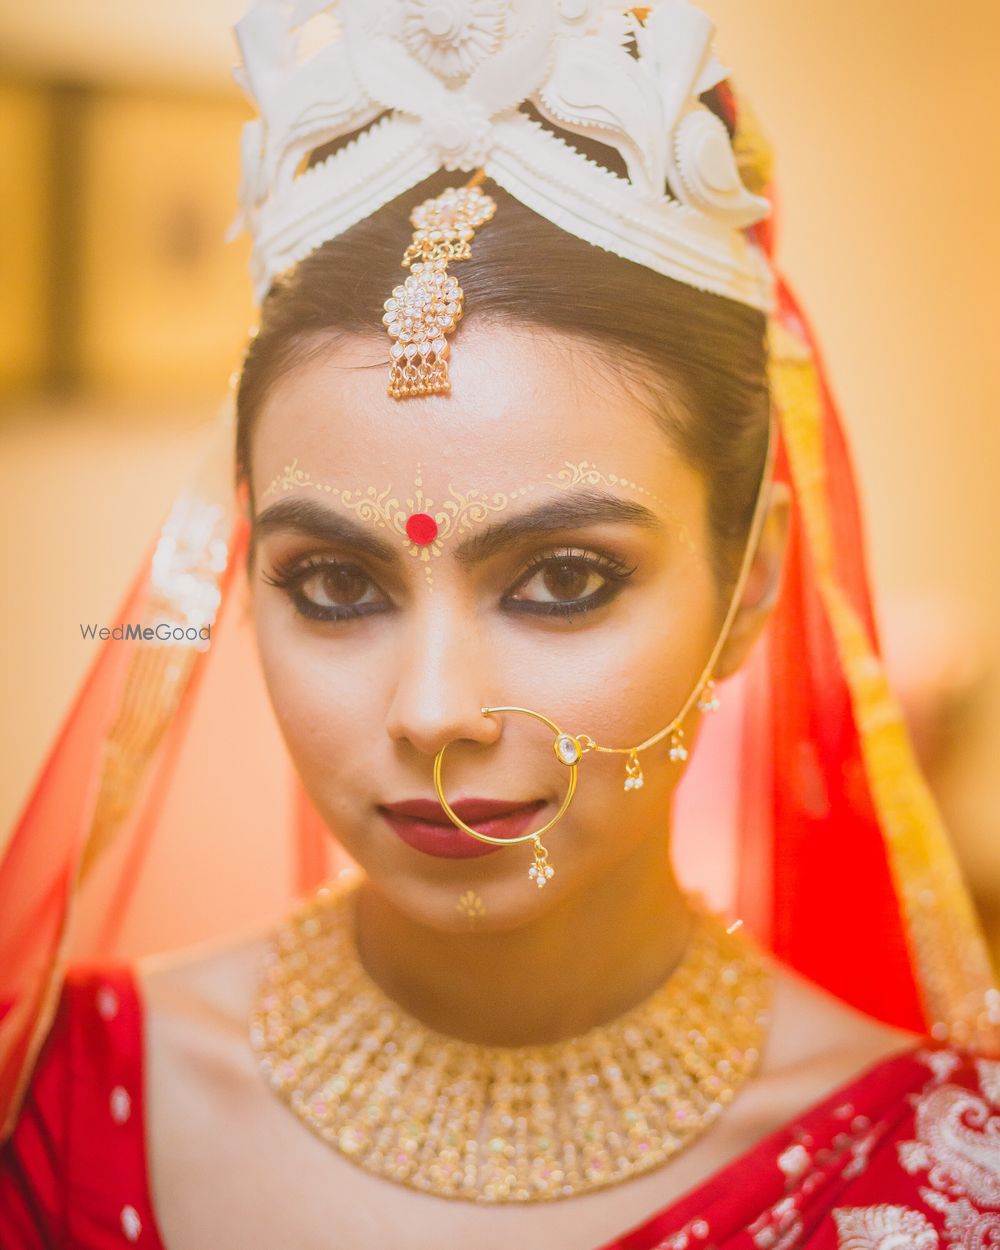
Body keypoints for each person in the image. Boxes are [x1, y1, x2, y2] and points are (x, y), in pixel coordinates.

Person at [2, 2, 998, 1246]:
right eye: (334, 585)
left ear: (748, 582)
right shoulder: (50, 1109)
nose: (432, 710)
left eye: (565, 579)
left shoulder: (931, 1176)